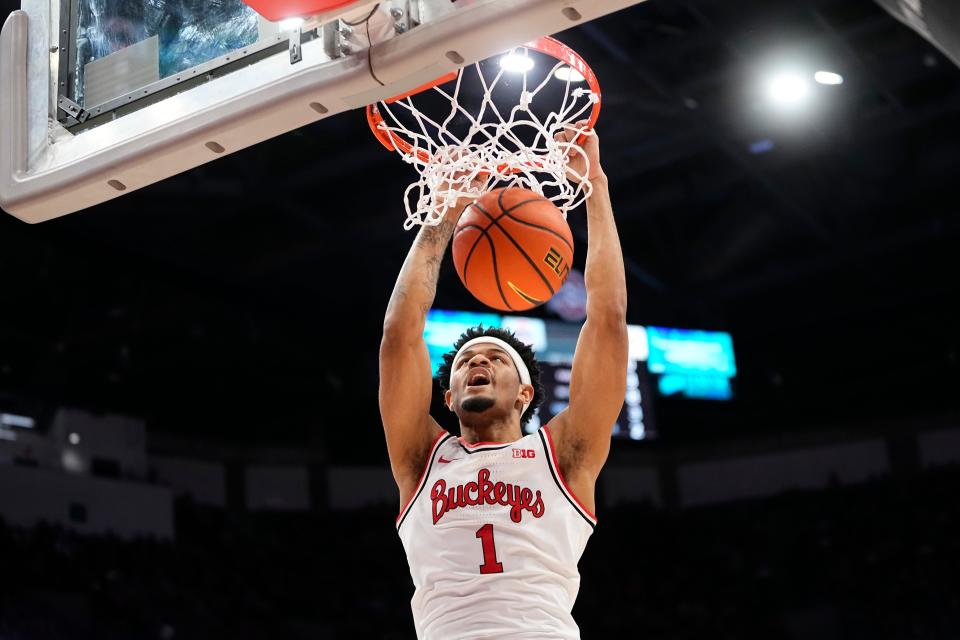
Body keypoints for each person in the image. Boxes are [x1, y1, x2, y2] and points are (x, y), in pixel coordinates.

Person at [379, 122, 627, 639]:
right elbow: (399, 335)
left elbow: (606, 321)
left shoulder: (565, 452)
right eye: (467, 361)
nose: (478, 363)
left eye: (495, 358)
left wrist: (595, 188)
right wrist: (443, 217)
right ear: (446, 397)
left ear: (525, 392)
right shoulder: (420, 458)